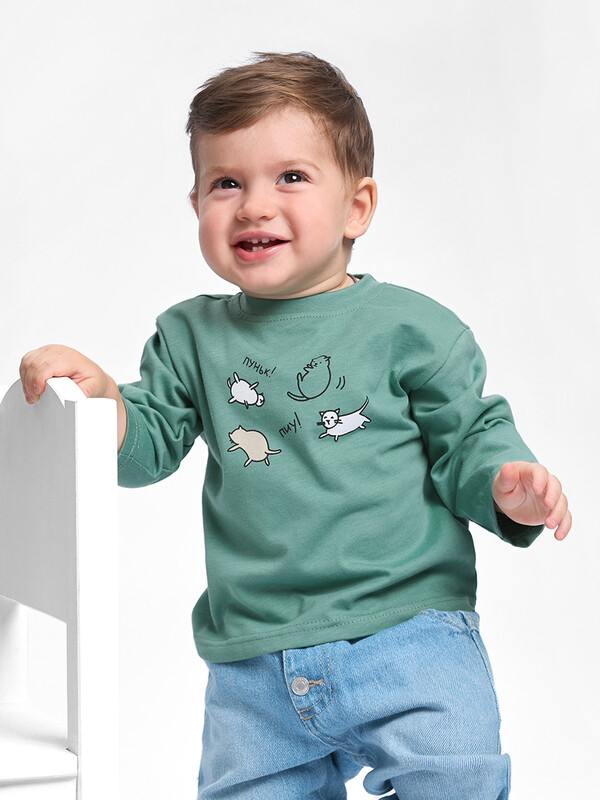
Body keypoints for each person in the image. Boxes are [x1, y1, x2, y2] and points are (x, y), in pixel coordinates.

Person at [19, 52, 571, 800]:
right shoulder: (190, 338)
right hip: (255, 663)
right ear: (196, 205)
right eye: (226, 183)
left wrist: (505, 483)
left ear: (357, 208)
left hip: (409, 635)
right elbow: (146, 445)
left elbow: (470, 436)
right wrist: (103, 403)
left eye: (290, 177)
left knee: (456, 779)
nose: (253, 205)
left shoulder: (412, 329)